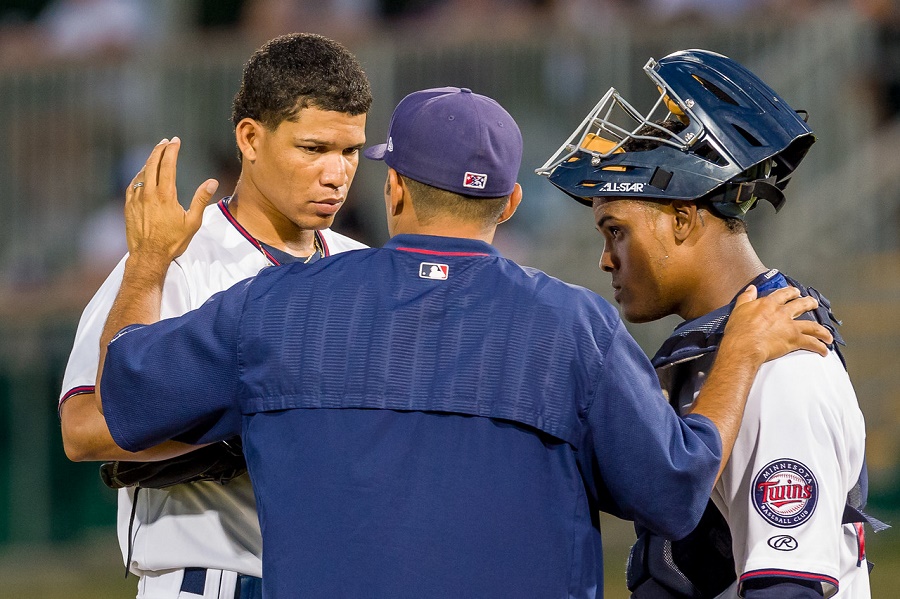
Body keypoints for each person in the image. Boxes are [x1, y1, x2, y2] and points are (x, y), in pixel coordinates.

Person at [94, 86, 832, 599]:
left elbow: (122, 398)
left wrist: (150, 263)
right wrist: (735, 357)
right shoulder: (574, 327)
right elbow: (674, 491)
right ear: (510, 202)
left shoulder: (275, 307)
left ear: (394, 189)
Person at [537, 49, 881, 598]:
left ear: (680, 218)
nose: (606, 259)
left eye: (616, 230)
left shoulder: (782, 370)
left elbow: (786, 589)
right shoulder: (726, 349)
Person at [58, 32, 372, 599]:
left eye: (349, 151)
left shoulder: (363, 268)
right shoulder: (172, 261)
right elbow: (83, 429)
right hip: (209, 582)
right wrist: (248, 431)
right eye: (312, 148)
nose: (336, 173)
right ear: (251, 139)